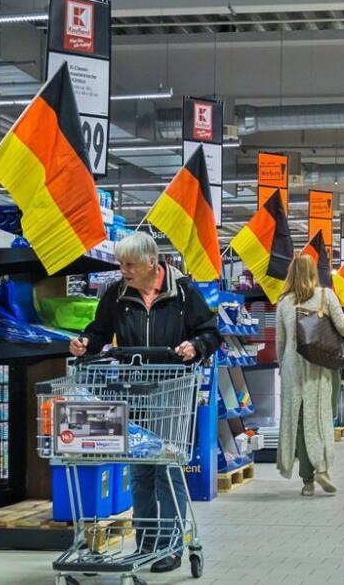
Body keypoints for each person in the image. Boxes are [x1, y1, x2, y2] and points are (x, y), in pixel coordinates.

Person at [69, 231, 220, 572]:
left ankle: (169, 546)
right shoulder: (116, 294)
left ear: (152, 262)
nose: (123, 270)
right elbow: (99, 331)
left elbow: (210, 332)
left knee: (166, 470)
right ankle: (146, 544)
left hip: (173, 392)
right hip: (133, 391)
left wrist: (196, 346)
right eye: (121, 264)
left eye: (130, 264)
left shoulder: (183, 293)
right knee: (140, 472)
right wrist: (84, 343)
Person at [275, 254, 344, 497]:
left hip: (292, 366)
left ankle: (307, 482)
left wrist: (284, 366)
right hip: (320, 366)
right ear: (313, 272)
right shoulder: (326, 295)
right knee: (319, 416)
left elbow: (280, 342)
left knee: (298, 420)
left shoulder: (284, 302)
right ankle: (322, 468)